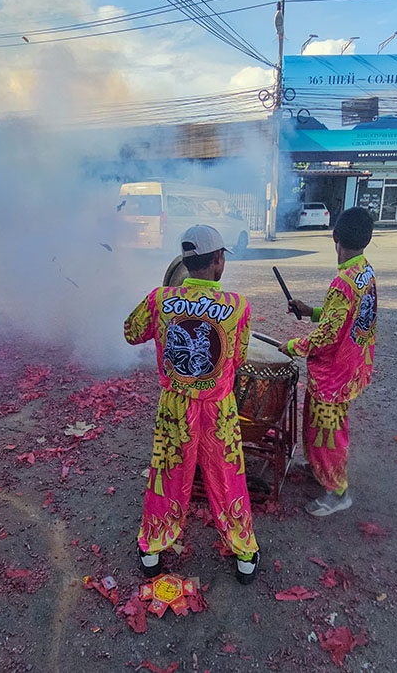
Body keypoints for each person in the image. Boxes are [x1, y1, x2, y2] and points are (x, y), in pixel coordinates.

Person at [124, 225, 259, 584]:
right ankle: (244, 554)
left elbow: (130, 332)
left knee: (167, 476)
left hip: (175, 407)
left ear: (183, 262)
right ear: (218, 260)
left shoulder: (159, 299)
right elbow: (238, 358)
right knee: (229, 478)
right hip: (219, 410)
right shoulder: (238, 306)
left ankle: (152, 550)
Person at [279, 207, 376, 517]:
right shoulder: (364, 272)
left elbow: (326, 338)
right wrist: (311, 312)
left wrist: (291, 345)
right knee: (317, 424)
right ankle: (321, 467)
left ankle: (337, 491)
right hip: (352, 365)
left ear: (335, 237)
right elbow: (345, 318)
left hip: (334, 374)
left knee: (328, 431)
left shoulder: (343, 282)